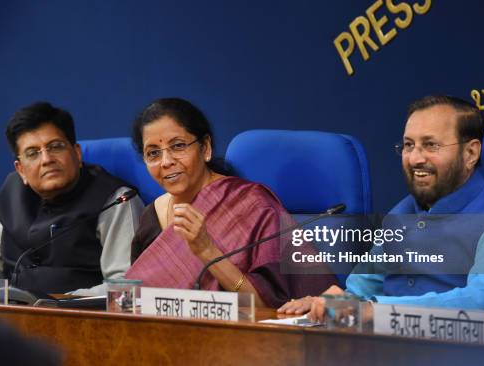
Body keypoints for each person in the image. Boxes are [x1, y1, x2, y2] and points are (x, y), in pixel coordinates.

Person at [278, 95, 484, 320]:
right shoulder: (401, 213)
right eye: (409, 145)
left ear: (471, 153)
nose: (415, 158)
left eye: (431, 145)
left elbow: (483, 303)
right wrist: (327, 303)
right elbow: (361, 291)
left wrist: (372, 310)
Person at [125, 97, 336, 308]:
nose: (166, 162)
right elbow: (135, 304)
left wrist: (207, 250)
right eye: (153, 153)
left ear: (205, 148)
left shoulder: (252, 206)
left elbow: (266, 308)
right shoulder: (152, 216)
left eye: (178, 146)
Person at [0, 102, 144, 295]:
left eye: (55, 147)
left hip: (83, 319)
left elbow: (123, 287)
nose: (46, 159)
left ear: (77, 154)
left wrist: (57, 305)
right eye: (33, 153)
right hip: (10, 319)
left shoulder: (115, 200)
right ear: (20, 169)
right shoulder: (10, 196)